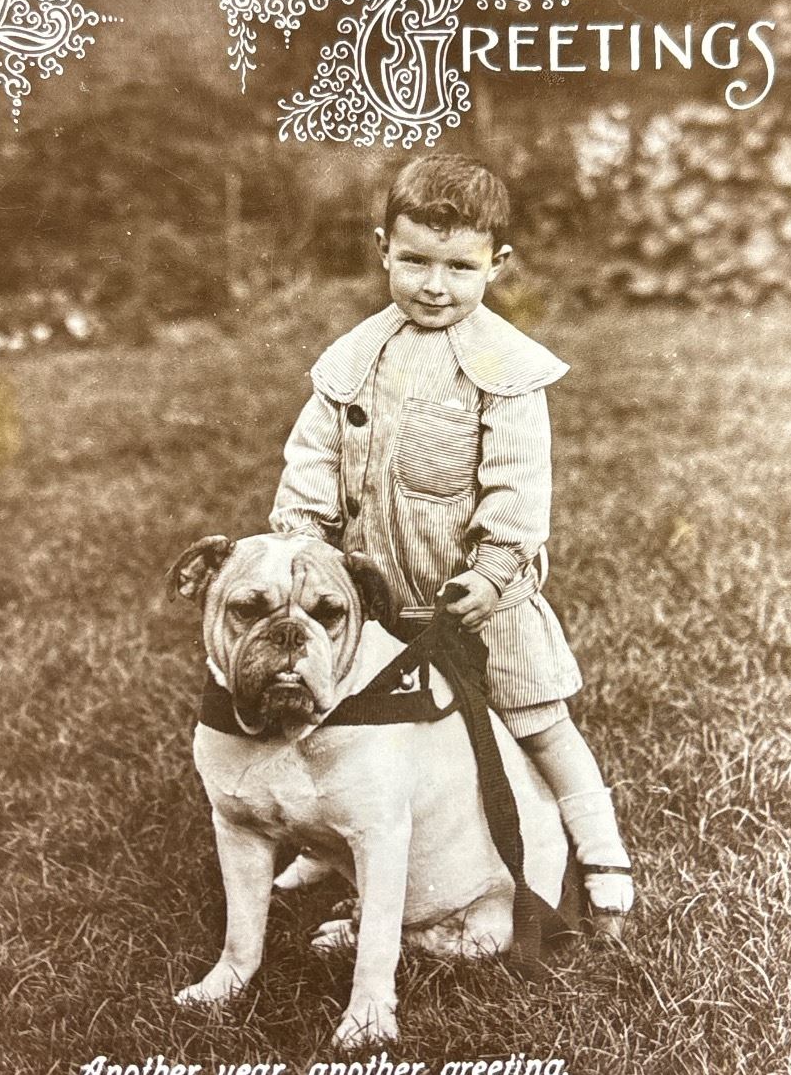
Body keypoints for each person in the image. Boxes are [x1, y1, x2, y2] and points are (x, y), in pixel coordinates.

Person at [269, 152, 633, 929]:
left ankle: (601, 851)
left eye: (460, 267)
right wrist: (304, 540)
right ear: (383, 250)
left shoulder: (505, 370)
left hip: (478, 601)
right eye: (415, 262)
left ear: (496, 264)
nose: (435, 285)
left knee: (537, 723)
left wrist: (494, 571)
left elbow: (518, 485)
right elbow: (313, 458)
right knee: (363, 729)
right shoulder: (354, 359)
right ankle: (334, 845)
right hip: (376, 605)